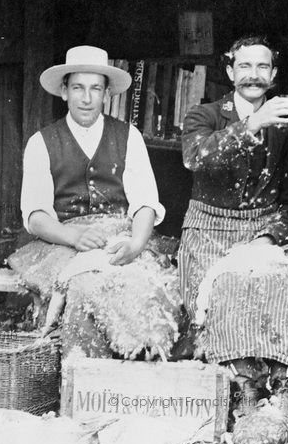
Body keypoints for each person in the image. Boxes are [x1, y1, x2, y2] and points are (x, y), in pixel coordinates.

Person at [12, 45, 179, 360]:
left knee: (145, 284)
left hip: (121, 235)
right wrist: (74, 236)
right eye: (78, 88)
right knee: (83, 287)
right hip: (61, 242)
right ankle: (83, 378)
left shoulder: (128, 136)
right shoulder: (41, 142)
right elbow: (35, 215)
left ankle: (135, 368)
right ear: (64, 91)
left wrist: (137, 244)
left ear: (107, 94)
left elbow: (145, 203)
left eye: (95, 89)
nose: (86, 98)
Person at [178, 35, 288, 413]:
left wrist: (268, 240)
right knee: (224, 288)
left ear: (274, 75)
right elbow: (197, 158)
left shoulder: (287, 126)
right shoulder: (202, 115)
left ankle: (282, 389)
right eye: (245, 66)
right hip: (207, 230)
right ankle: (242, 385)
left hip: (261, 232)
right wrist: (253, 123)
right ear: (230, 71)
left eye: (263, 67)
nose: (254, 75)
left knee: (271, 283)